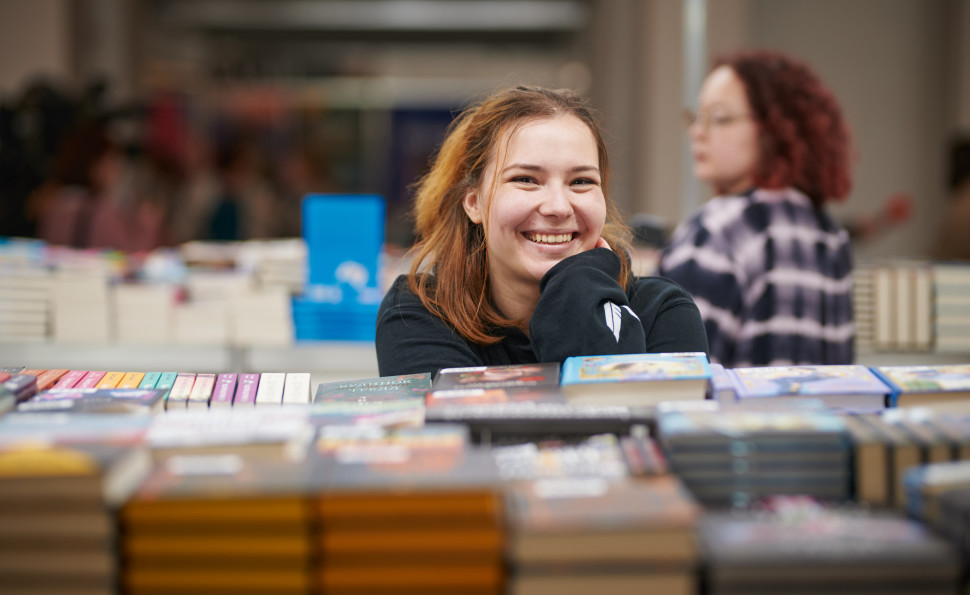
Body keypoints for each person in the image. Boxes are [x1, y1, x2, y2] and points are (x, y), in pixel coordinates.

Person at [376, 85, 708, 377]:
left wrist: (583, 287)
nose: (558, 207)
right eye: (526, 180)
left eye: (581, 182)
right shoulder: (419, 312)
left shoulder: (662, 311)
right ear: (474, 203)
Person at [658, 50, 855, 368]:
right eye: (696, 117)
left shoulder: (717, 230)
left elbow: (678, 376)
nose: (697, 132)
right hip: (822, 418)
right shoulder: (831, 235)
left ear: (775, 129)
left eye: (719, 118)